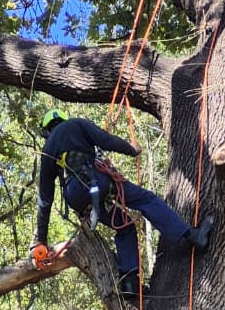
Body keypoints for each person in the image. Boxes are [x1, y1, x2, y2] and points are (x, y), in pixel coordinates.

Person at [30, 108, 214, 297]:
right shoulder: (76, 124)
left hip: (76, 197)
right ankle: (191, 236)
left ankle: (130, 284)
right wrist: (131, 149)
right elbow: (105, 140)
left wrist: (41, 240)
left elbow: (45, 198)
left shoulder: (47, 151)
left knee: (123, 225)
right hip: (96, 181)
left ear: (47, 130)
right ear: (62, 119)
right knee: (145, 200)